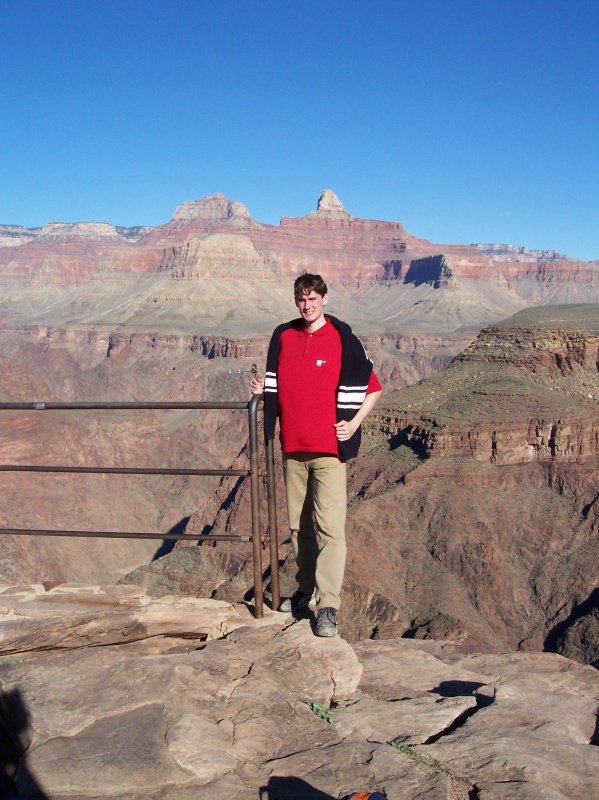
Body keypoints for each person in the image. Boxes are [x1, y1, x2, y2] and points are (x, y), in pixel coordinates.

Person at [250, 273, 382, 637]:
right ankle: (305, 588)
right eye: (301, 300)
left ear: (325, 299)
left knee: (330, 528)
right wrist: (264, 389)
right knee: (298, 526)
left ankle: (328, 606)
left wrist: (354, 423)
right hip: (292, 448)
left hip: (328, 452)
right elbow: (278, 382)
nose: (307, 306)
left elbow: (373, 388)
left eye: (312, 299)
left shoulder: (342, 339)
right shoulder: (284, 336)